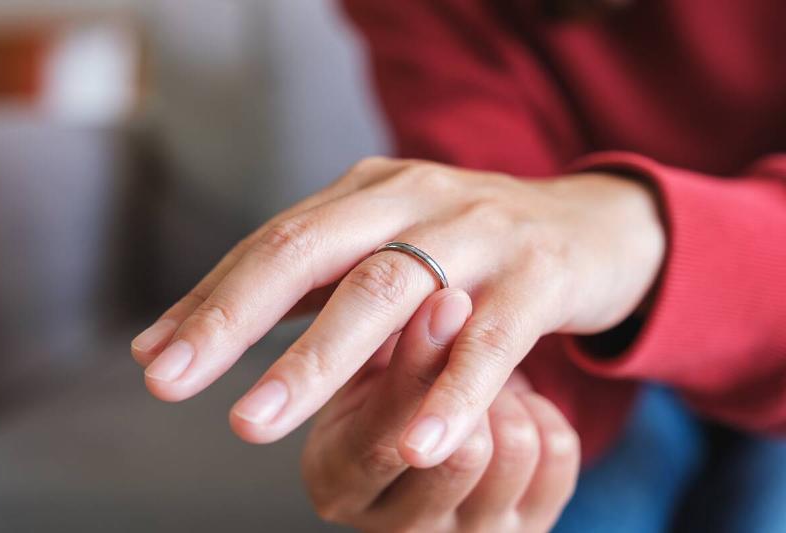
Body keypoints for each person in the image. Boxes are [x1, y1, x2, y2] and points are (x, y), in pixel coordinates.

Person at [131, 1, 786, 531]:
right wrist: (478, 389)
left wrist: (632, 232)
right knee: (552, 494)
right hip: (596, 358)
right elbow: (484, 206)